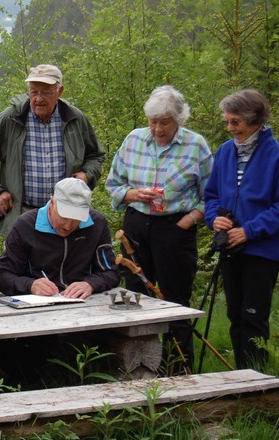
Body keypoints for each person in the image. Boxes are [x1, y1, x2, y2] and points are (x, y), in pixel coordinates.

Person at [105, 85, 213, 372]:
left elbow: (212, 194)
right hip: (136, 226)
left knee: (175, 298)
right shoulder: (133, 140)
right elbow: (113, 184)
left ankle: (180, 369)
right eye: (153, 121)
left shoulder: (196, 145)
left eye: (164, 122)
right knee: (134, 295)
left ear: (178, 120)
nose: (157, 128)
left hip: (175, 228)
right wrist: (133, 195)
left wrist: (190, 220)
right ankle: (134, 366)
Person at [204, 89, 279, 370]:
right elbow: (212, 195)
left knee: (253, 317)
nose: (230, 128)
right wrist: (214, 219)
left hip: (261, 251)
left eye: (236, 122)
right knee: (235, 314)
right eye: (227, 121)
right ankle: (242, 378)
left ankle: (257, 382)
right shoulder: (225, 151)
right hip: (229, 247)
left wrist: (249, 231)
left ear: (255, 120)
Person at [0, 64, 105, 236]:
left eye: (46, 92)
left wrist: (87, 174)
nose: (38, 99)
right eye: (34, 92)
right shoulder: (11, 118)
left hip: (66, 215)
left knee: (65, 262)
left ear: (59, 91)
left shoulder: (75, 119)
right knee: (21, 262)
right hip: (23, 215)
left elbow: (96, 155)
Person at [0, 177, 119, 298]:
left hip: (85, 303)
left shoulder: (97, 223)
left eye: (76, 220)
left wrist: (91, 284)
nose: (68, 226)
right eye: (64, 217)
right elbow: (2, 276)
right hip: (37, 305)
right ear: (52, 203)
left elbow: (112, 272)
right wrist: (30, 285)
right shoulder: (26, 225)